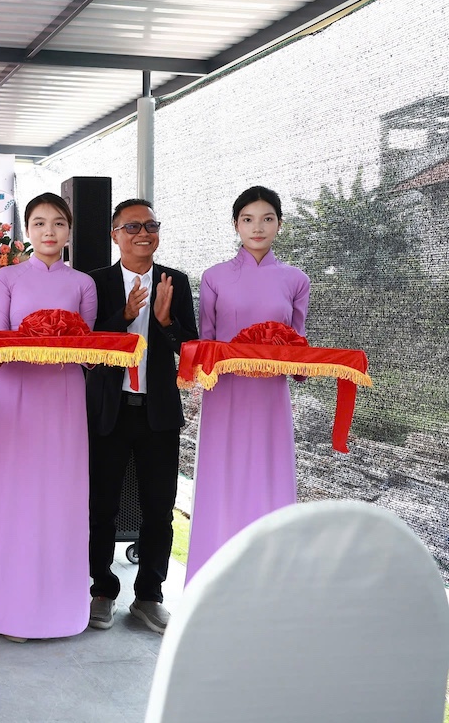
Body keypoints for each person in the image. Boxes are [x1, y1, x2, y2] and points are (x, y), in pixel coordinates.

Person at [0, 192, 96, 641]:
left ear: (69, 231)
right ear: (26, 230)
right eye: (39, 223)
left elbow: (87, 349)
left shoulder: (83, 283)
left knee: (61, 495)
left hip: (64, 395)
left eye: (58, 223)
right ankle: (12, 610)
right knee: (16, 495)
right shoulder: (7, 278)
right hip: (17, 393)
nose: (49, 231)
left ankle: (61, 609)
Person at [85, 199, 198, 635]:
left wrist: (165, 322)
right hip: (109, 411)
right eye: (132, 226)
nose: (143, 233)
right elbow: (88, 343)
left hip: (158, 412)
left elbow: (189, 347)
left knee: (158, 508)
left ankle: (149, 596)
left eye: (150, 225)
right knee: (102, 507)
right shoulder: (96, 282)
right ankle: (102, 590)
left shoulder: (175, 281)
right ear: (114, 234)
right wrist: (125, 316)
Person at [187, 185, 309, 583]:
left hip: (271, 395)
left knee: (269, 477)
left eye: (267, 218)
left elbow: (298, 344)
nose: (258, 227)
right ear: (236, 225)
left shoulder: (296, 279)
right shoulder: (214, 277)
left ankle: (272, 580)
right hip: (224, 393)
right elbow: (206, 342)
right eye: (248, 219)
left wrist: (304, 367)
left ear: (279, 224)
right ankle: (212, 581)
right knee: (221, 479)